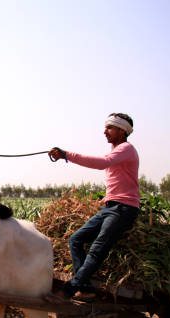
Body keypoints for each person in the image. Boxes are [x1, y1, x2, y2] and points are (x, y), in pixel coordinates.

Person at [46, 113, 140, 302]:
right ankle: (86, 288)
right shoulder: (117, 151)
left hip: (124, 208)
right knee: (75, 240)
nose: (105, 132)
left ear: (122, 131)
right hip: (110, 207)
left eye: (110, 128)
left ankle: (69, 290)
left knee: (97, 249)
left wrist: (66, 154)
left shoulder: (126, 148)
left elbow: (101, 163)